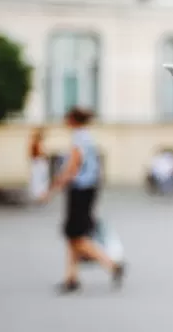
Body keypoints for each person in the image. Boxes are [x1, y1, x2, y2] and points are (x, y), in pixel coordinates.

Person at [39, 107, 126, 293]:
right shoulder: (87, 137)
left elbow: (72, 167)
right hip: (87, 189)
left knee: (76, 236)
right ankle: (71, 277)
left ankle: (112, 265)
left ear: (72, 120)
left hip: (80, 190)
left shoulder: (79, 138)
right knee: (73, 235)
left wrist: (52, 189)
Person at [28, 127, 50, 202]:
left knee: (40, 179)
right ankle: (40, 195)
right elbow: (40, 153)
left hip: (38, 163)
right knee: (40, 179)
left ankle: (41, 195)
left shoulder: (35, 143)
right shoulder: (36, 144)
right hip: (39, 163)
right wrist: (45, 155)